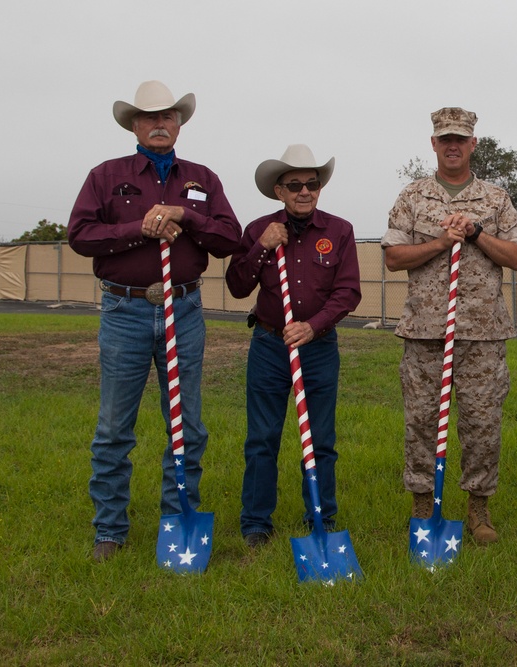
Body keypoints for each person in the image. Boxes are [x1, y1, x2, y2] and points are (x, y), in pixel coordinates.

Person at [68, 80, 241, 562]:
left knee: (187, 425)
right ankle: (109, 529)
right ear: (135, 125)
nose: (160, 123)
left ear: (180, 123)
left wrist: (187, 215)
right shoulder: (106, 176)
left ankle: (178, 521)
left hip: (182, 309)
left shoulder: (202, 179)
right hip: (124, 310)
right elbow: (80, 235)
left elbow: (229, 239)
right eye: (149, 117)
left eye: (168, 115)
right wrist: (137, 227)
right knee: (114, 427)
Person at [381, 107, 517, 545]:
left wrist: (476, 233)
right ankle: (423, 505)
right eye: (445, 138)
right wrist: (443, 241)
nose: (452, 146)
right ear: (433, 143)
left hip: (482, 332)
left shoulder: (496, 198)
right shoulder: (412, 196)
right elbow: (392, 257)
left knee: (482, 423)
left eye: (460, 139)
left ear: (473, 144)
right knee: (422, 421)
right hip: (426, 330)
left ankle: (479, 510)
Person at [225, 145, 361, 548]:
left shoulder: (339, 231)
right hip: (269, 344)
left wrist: (313, 326)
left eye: (312, 183)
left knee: (320, 440)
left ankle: (321, 515)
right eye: (295, 184)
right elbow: (236, 286)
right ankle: (255, 523)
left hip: (318, 348)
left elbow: (348, 291)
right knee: (262, 437)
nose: (305, 191)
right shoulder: (258, 229)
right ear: (279, 191)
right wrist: (262, 247)